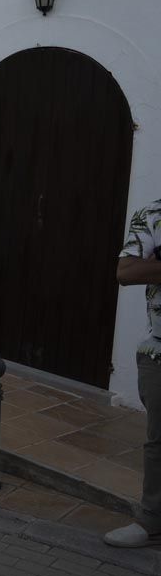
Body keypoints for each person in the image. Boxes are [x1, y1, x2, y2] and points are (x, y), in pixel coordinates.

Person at [104, 199, 161, 548]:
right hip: (158, 351)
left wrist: (154, 264)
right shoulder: (153, 214)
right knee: (158, 444)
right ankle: (152, 521)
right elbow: (125, 272)